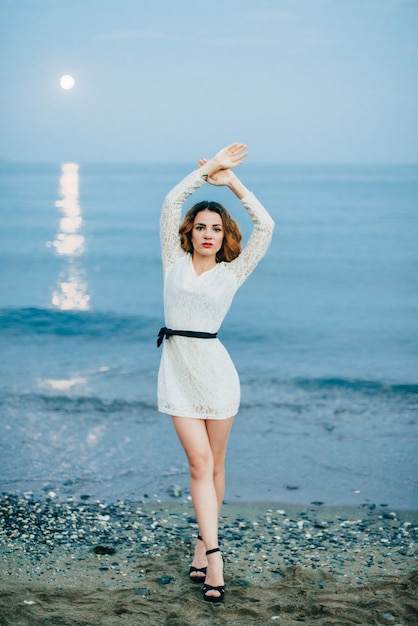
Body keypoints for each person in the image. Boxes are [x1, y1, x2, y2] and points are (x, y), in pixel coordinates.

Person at [157, 143, 274, 603]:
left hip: (218, 376)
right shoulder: (172, 260)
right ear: (190, 232)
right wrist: (206, 170)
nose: (208, 233)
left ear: (225, 235)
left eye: (216, 228)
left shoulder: (233, 271)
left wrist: (233, 183)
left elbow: (266, 226)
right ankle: (217, 556)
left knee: (217, 464)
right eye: (201, 227)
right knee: (198, 463)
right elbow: (170, 203)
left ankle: (202, 544)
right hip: (177, 374)